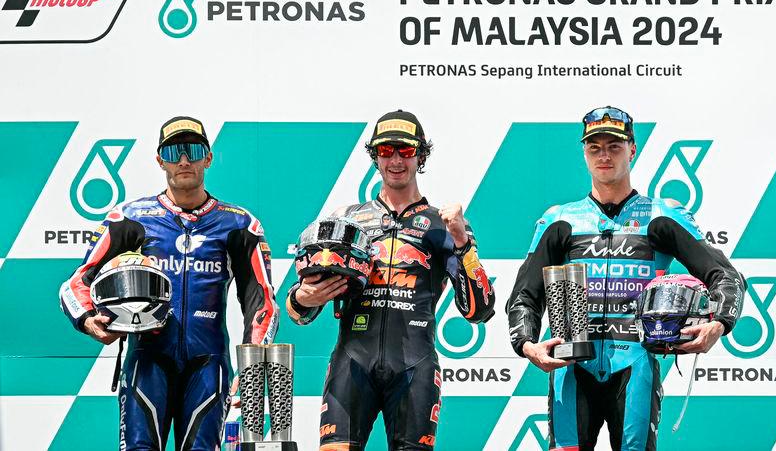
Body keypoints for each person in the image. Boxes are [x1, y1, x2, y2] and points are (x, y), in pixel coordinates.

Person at [506, 106, 745, 451]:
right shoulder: (560, 220)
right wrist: (527, 345)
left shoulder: (660, 216)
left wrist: (718, 324)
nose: (604, 155)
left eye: (614, 146)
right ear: (584, 153)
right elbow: (524, 295)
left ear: (632, 149)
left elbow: (726, 275)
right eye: (595, 147)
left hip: (635, 365)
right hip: (571, 367)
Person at [58, 116, 279, 451]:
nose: (184, 161)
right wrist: (89, 319)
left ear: (208, 157)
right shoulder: (131, 217)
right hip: (148, 359)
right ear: (160, 160)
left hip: (208, 363)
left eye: (193, 150)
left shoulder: (239, 224)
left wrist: (250, 371)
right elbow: (77, 282)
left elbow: (261, 302)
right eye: (175, 151)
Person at [286, 109, 496, 450]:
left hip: (415, 367)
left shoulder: (445, 224)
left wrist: (463, 244)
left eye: (406, 151)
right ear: (374, 156)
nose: (396, 160)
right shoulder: (346, 220)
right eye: (385, 151)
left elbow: (480, 310)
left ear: (421, 155)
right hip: (351, 365)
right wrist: (302, 299)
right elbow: (300, 310)